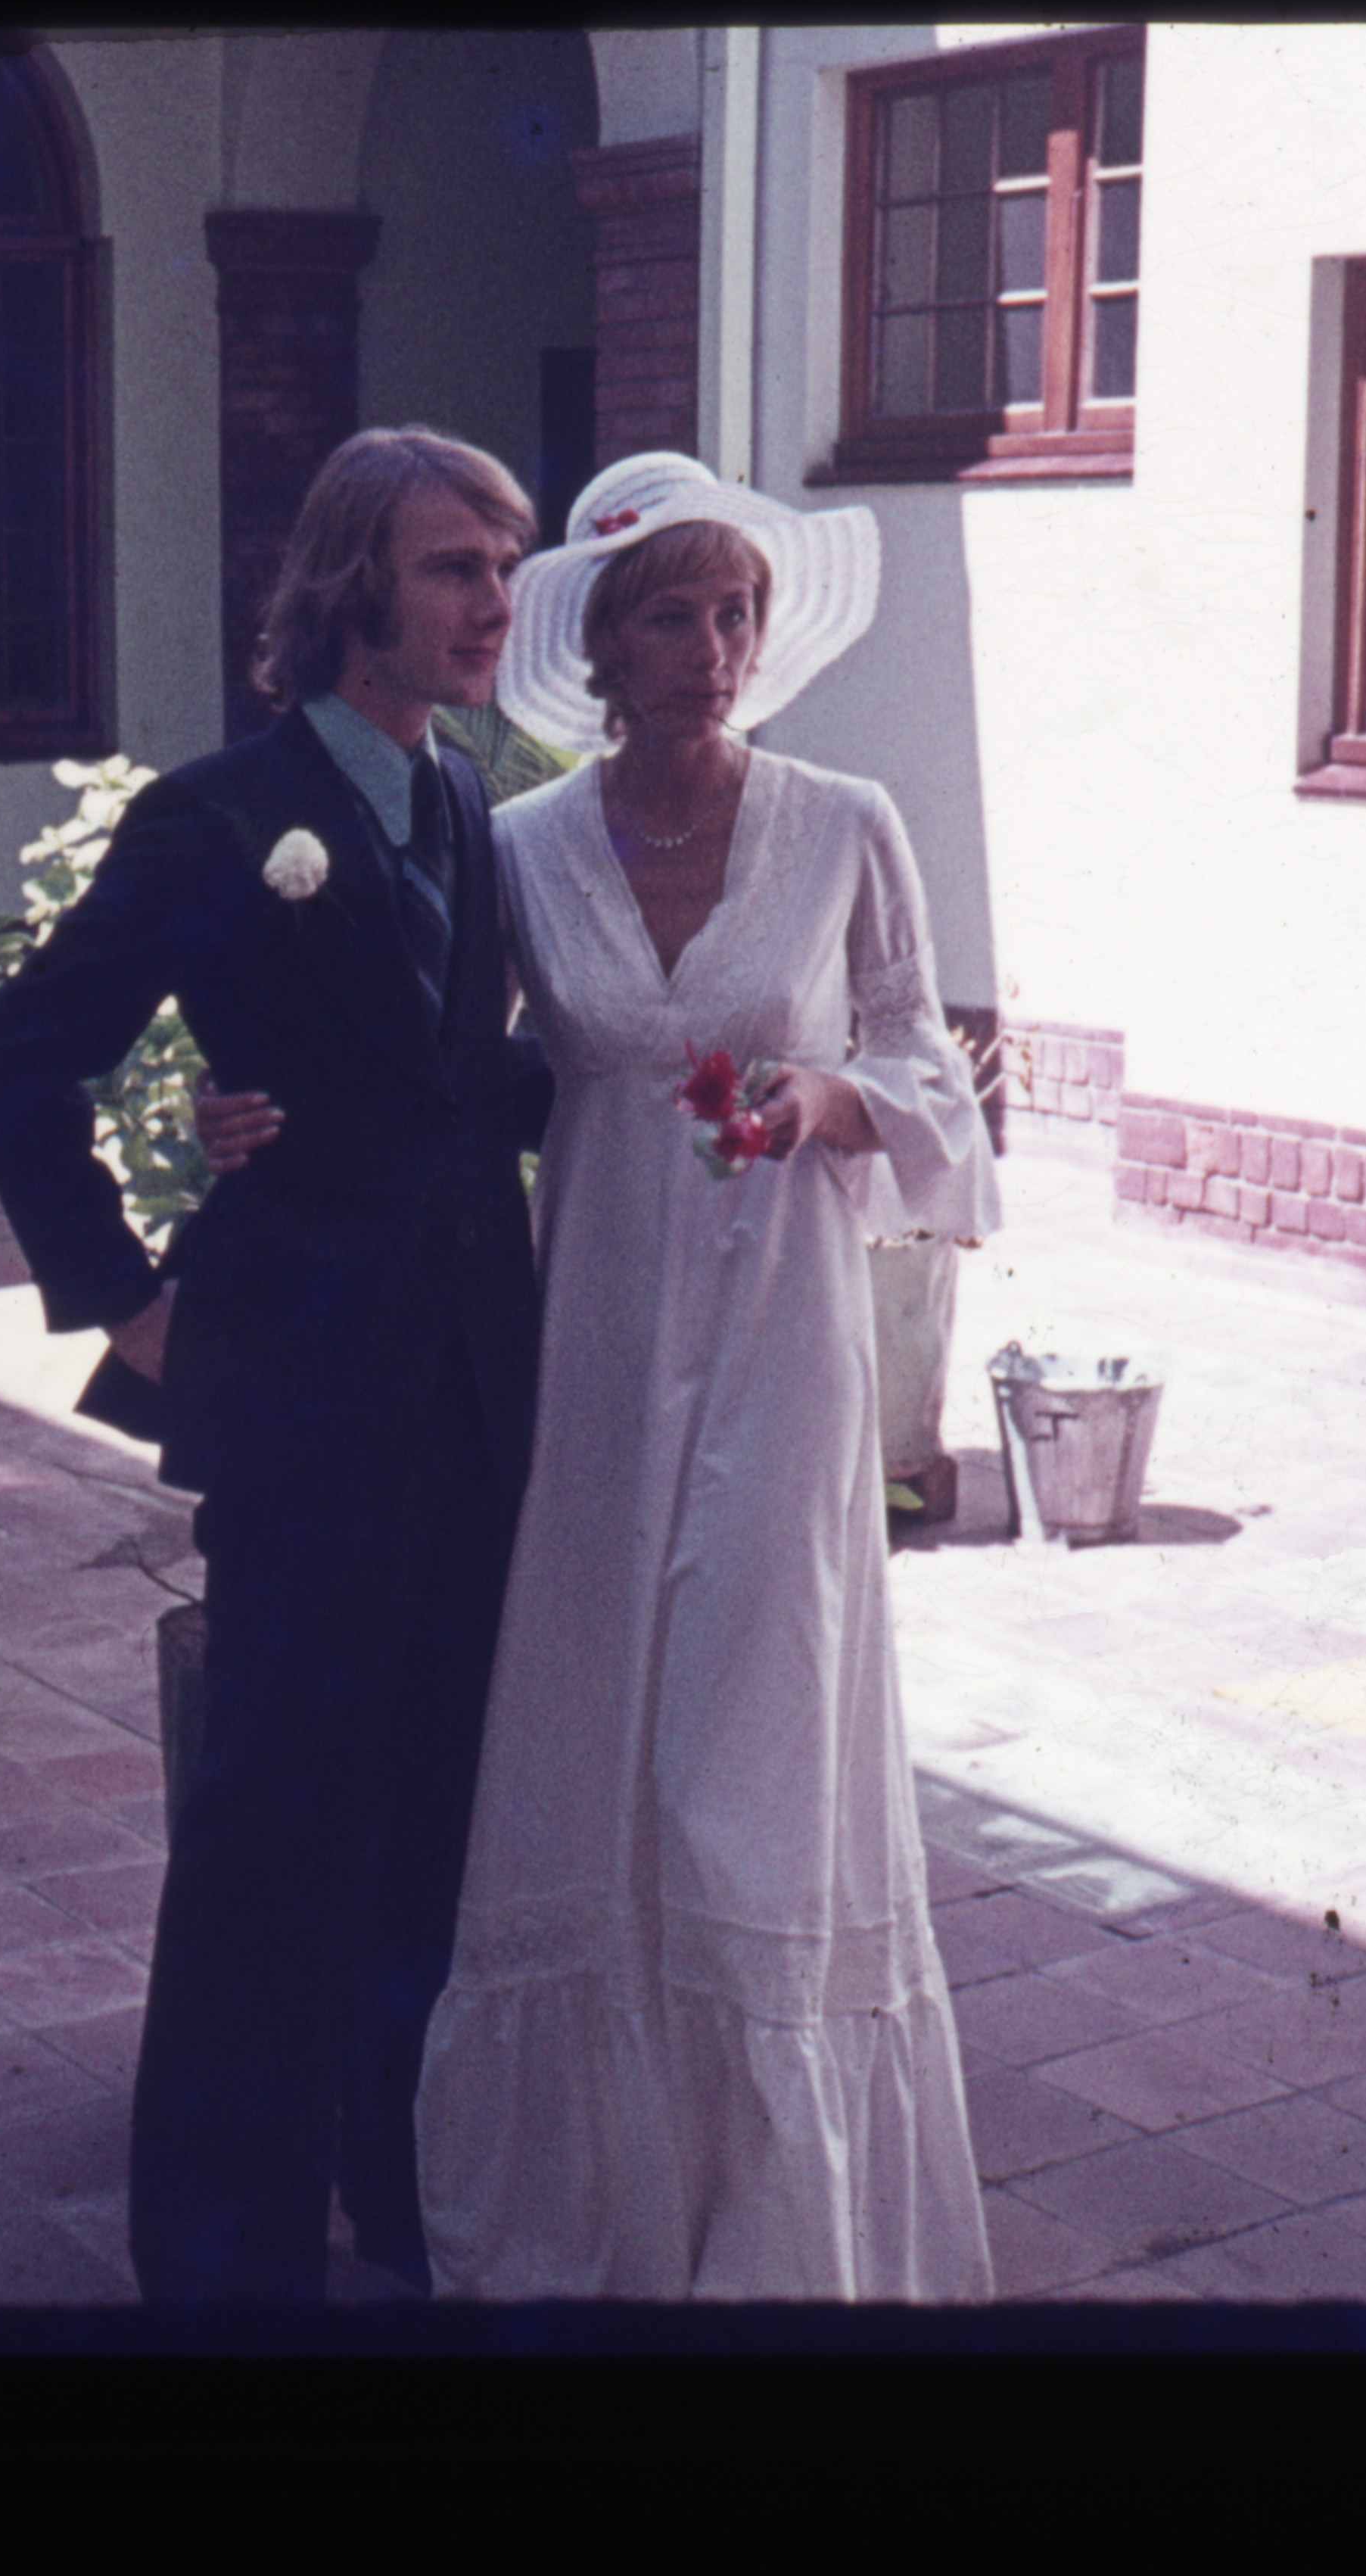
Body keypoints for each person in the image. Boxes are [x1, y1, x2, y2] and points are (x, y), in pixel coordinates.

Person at [0, 426, 550, 2305]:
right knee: (273, 1832)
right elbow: (19, 1058)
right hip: (303, 1405)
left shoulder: (464, 802)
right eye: (454, 567)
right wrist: (122, 1299)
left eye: (503, 566)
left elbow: (453, 1085)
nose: (493, 602)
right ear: (352, 585)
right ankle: (225, 2247)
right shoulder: (220, 817)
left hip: (473, 1396)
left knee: (432, 1818)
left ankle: (396, 2184)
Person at [404, 450, 1002, 2299]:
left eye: (737, 609)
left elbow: (923, 1060)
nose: (715, 644)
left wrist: (825, 1098)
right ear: (601, 642)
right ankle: (593, 2199)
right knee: (592, 1712)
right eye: (674, 612)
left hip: (781, 1335)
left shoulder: (845, 824)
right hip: (591, 1334)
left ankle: (775, 2214)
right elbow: (445, 1073)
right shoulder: (518, 845)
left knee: (752, 1724)